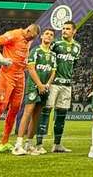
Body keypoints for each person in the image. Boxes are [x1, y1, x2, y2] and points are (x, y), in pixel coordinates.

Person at [0, 23, 41, 152]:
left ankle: (4, 142)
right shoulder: (14, 34)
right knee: (0, 107)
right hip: (7, 75)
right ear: (28, 30)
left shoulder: (28, 40)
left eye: (33, 39)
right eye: (31, 37)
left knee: (15, 109)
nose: (31, 40)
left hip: (20, 76)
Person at [12, 28, 56, 156]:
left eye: (51, 35)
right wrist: (39, 85)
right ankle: (18, 145)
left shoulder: (52, 55)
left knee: (37, 116)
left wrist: (47, 85)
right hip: (33, 87)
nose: (48, 36)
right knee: (27, 113)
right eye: (47, 34)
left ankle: (29, 144)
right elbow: (31, 69)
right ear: (41, 36)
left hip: (45, 88)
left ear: (53, 39)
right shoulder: (35, 51)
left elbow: (53, 71)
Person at [39, 20, 80, 153]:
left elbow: (75, 64)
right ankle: (38, 144)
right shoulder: (55, 44)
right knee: (45, 112)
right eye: (63, 28)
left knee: (61, 114)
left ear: (74, 31)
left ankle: (57, 144)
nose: (64, 31)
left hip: (67, 84)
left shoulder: (77, 47)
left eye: (68, 29)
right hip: (54, 83)